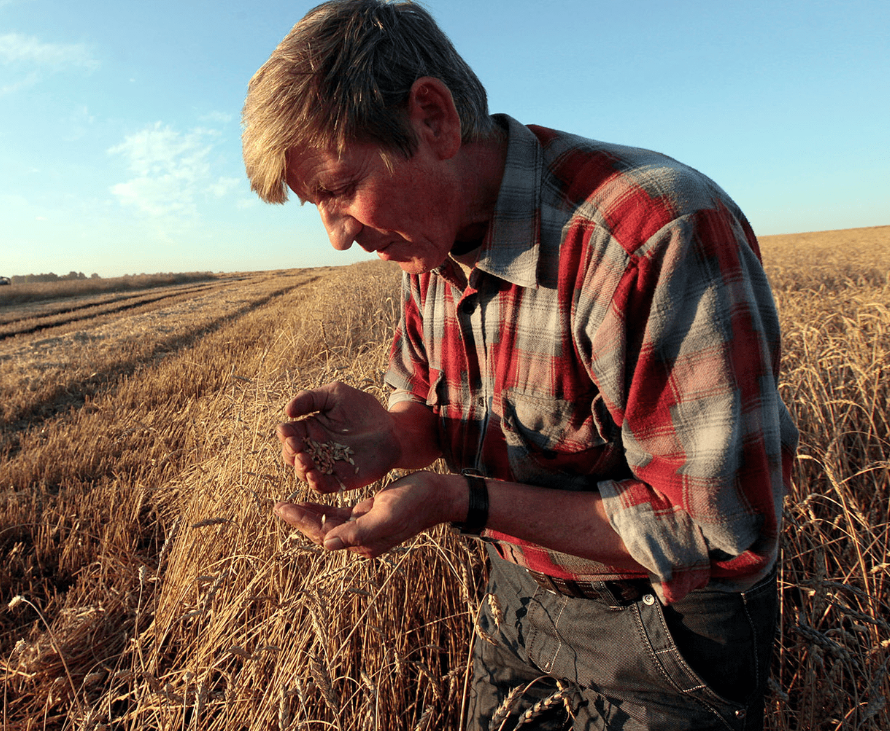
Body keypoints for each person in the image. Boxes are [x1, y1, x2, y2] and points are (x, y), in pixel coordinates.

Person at [241, 2, 799, 729]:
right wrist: (392, 436)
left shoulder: (651, 235)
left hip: (667, 628)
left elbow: (714, 526)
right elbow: (439, 411)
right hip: (520, 599)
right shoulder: (429, 246)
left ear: (433, 119)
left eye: (339, 189)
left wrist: (456, 499)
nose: (338, 236)